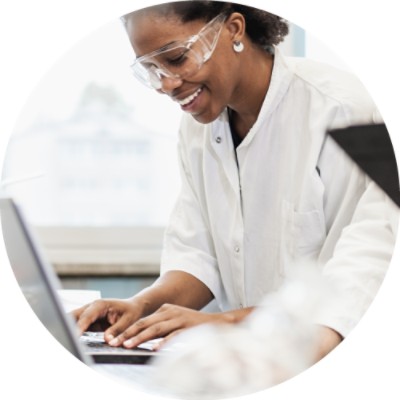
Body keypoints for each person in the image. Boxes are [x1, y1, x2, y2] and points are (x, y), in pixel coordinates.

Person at [73, 1, 397, 361]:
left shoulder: (345, 110)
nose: (167, 84)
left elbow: (360, 282)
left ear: (234, 29)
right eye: (151, 69)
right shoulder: (197, 129)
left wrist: (226, 322)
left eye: (177, 58)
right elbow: (197, 255)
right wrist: (140, 306)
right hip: (246, 362)